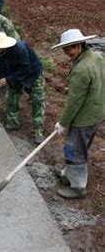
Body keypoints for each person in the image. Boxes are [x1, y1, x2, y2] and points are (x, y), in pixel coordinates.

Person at [52, 29, 104, 199]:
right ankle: (68, 174)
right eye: (66, 49)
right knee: (78, 147)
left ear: (80, 45)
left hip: (84, 117)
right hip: (96, 111)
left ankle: (78, 186)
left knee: (74, 149)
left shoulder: (81, 69)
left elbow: (74, 102)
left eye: (72, 48)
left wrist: (63, 122)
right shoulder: (96, 56)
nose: (68, 53)